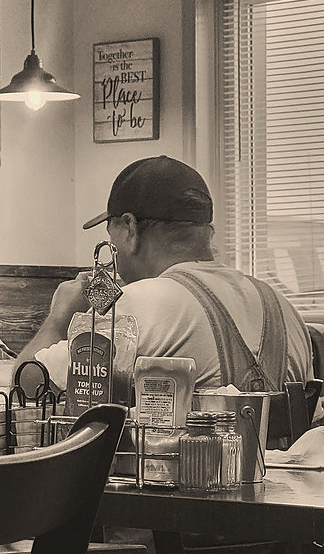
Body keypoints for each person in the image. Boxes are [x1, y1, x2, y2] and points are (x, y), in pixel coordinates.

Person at [18, 155, 313, 391]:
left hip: (184, 468)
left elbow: (28, 384)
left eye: (112, 238)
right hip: (284, 467)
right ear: (207, 231)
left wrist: (59, 320)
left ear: (130, 229)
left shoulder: (141, 303)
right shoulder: (283, 306)